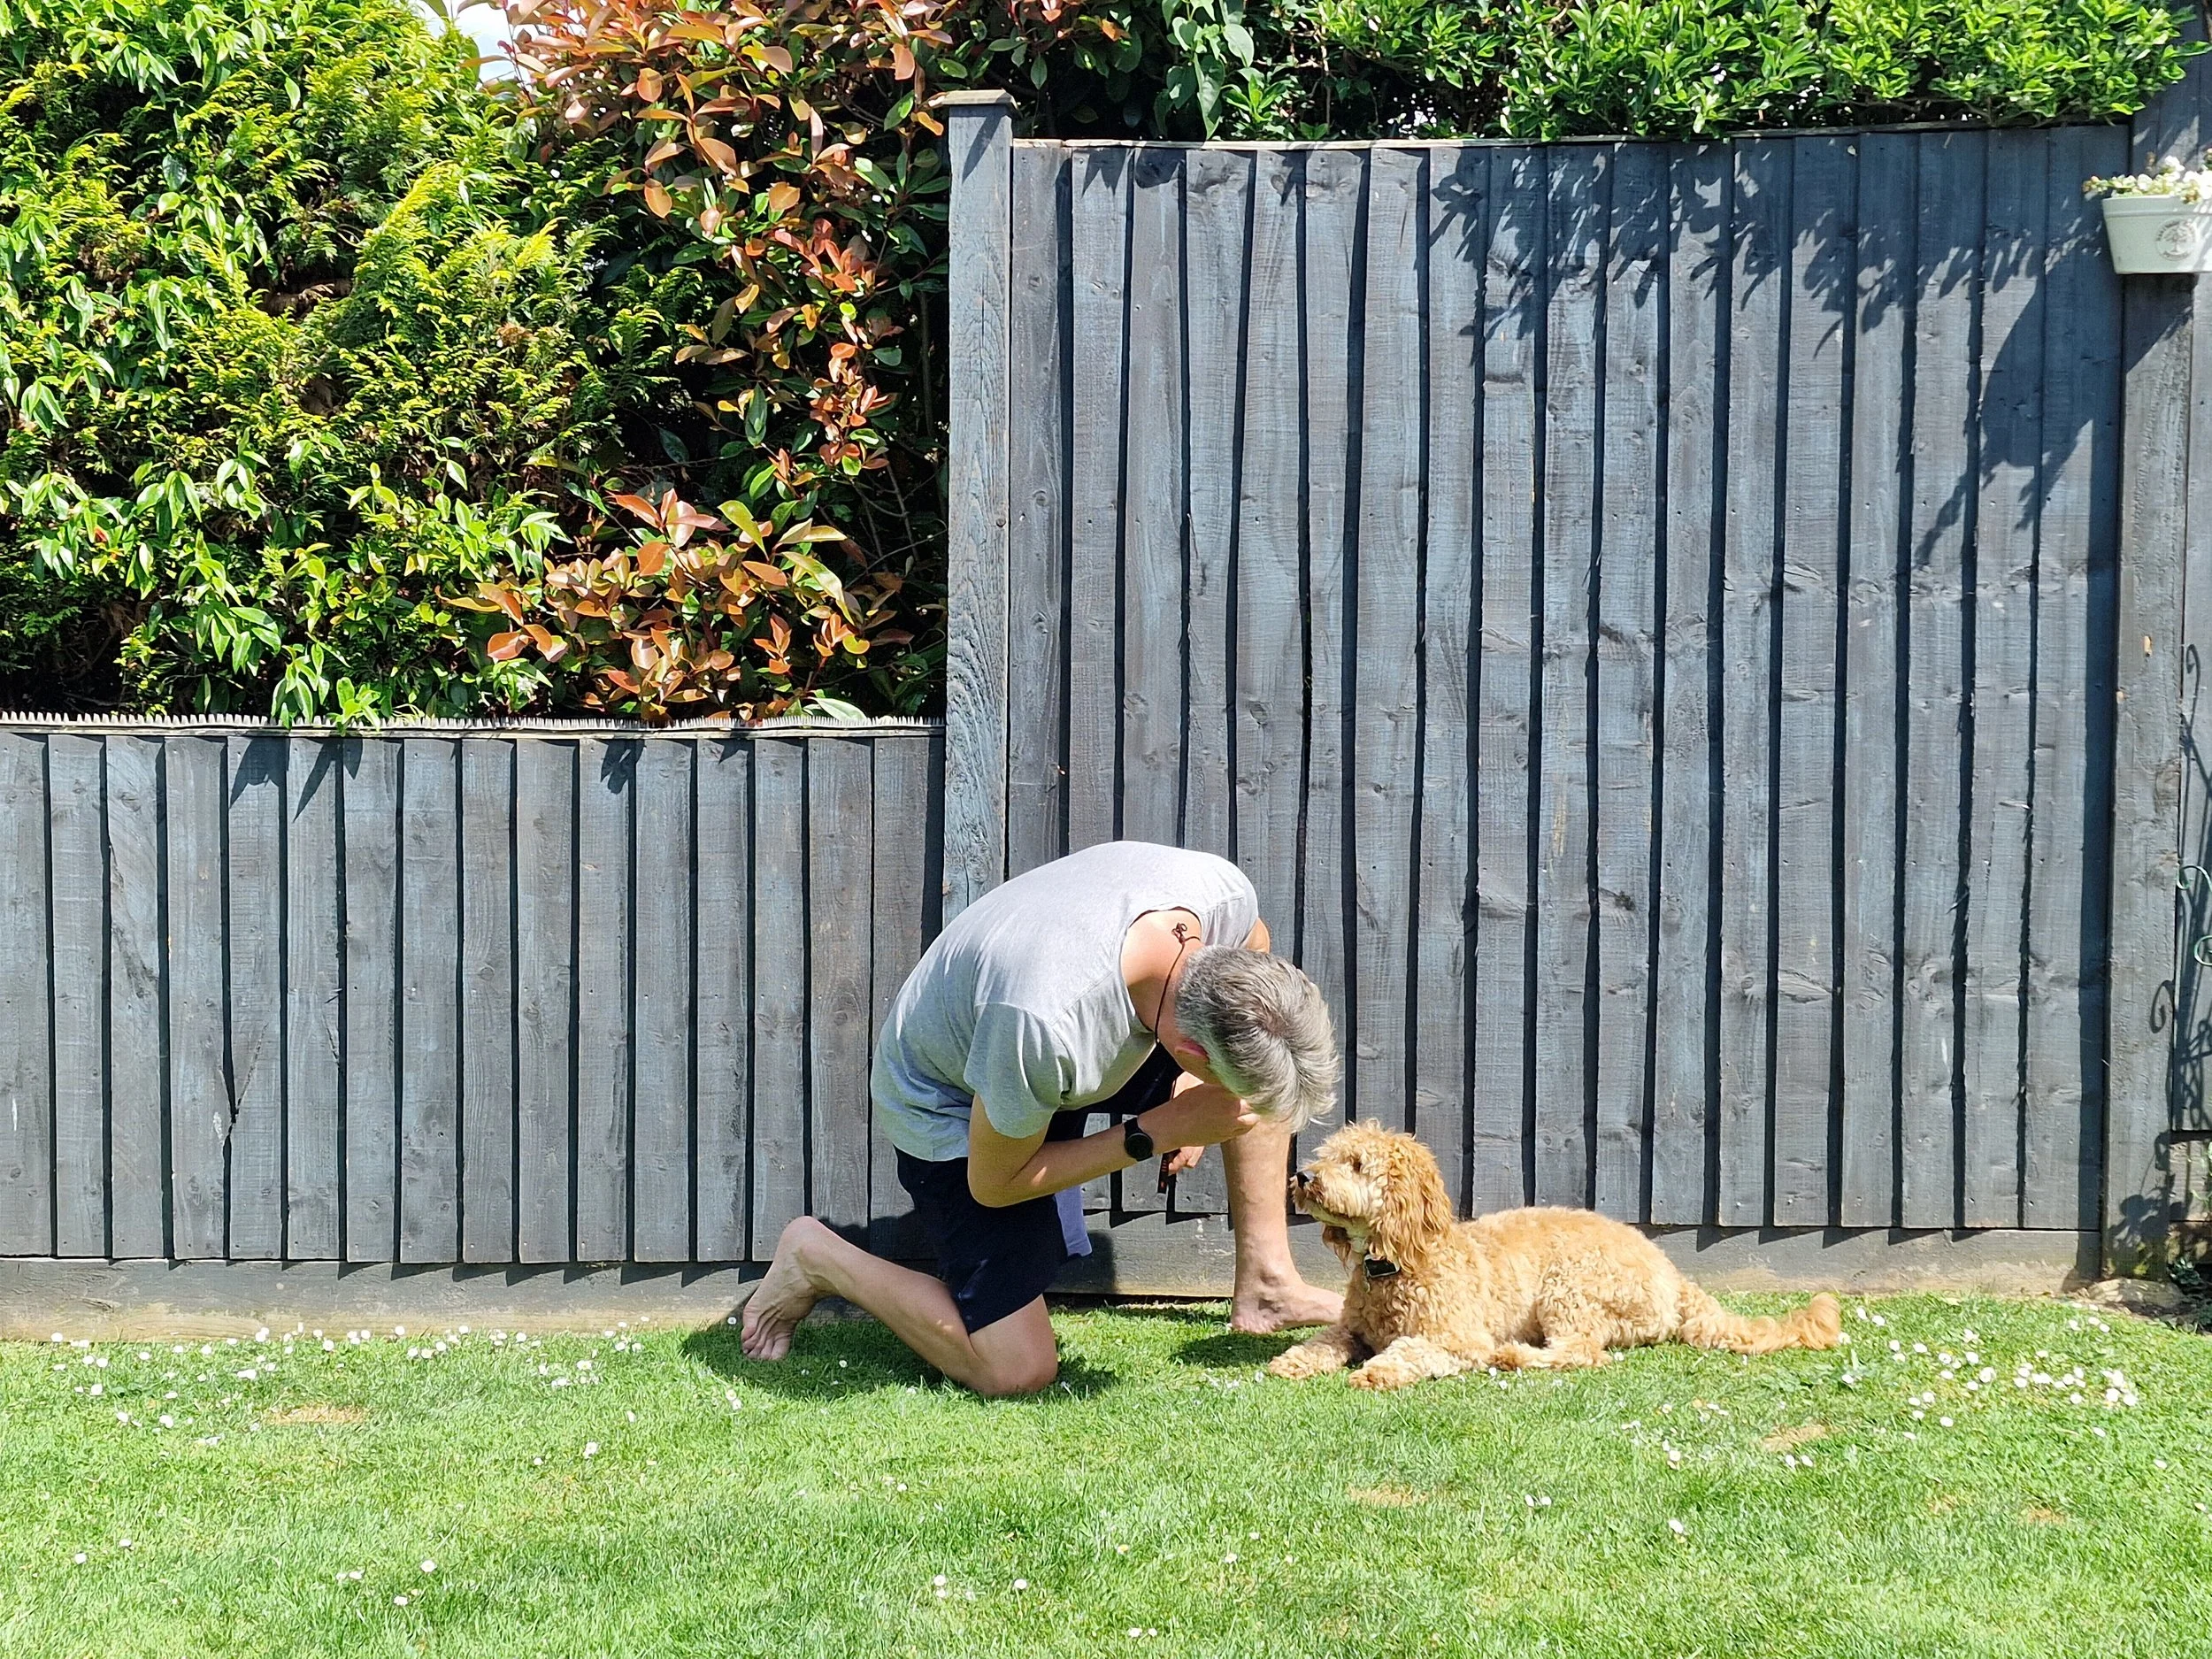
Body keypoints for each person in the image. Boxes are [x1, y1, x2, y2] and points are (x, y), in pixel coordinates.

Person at [738, 840, 1343, 1395]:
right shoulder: (1045, 1020)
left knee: (1259, 1088)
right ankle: (816, 1255)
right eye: (1199, 1064)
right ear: (1191, 1049)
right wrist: (1162, 1128)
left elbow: (1255, 940)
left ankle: (1267, 1284)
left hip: (1090, 1031)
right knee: (1016, 1368)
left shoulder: (1220, 895)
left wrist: (1190, 1083)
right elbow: (995, 1182)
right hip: (952, 1092)